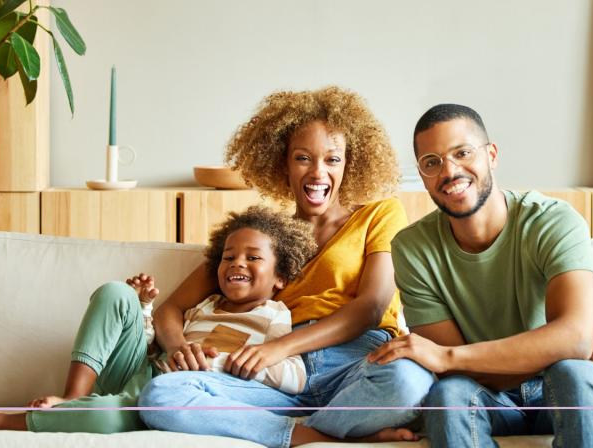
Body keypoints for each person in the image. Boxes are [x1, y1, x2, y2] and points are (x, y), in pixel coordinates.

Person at [139, 86, 435, 447]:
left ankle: (303, 426)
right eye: (303, 158)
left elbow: (372, 307)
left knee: (408, 381)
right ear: (283, 163)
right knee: (161, 395)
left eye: (332, 159)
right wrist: (177, 347)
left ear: (350, 163)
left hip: (358, 362)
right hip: (277, 378)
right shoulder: (261, 239)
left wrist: (280, 348)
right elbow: (170, 308)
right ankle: (315, 433)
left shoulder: (380, 214)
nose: (318, 172)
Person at [368, 103, 593, 448]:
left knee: (573, 372)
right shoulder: (412, 248)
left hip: (566, 390)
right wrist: (559, 344)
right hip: (491, 399)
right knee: (449, 394)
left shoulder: (552, 221)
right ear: (423, 175)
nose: (450, 171)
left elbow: (573, 341)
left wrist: (571, 344)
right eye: (432, 163)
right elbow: (460, 370)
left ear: (491, 155)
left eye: (462, 153)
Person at [0, 205, 317, 433]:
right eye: (229, 256)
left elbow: (293, 376)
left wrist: (232, 363)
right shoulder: (205, 304)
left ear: (280, 276)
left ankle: (3, 421)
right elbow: (151, 345)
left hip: (163, 397)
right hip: (143, 370)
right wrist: (144, 308)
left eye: (253, 257)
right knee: (116, 293)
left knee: (105, 417)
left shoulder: (272, 317)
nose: (237, 263)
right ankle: (73, 396)